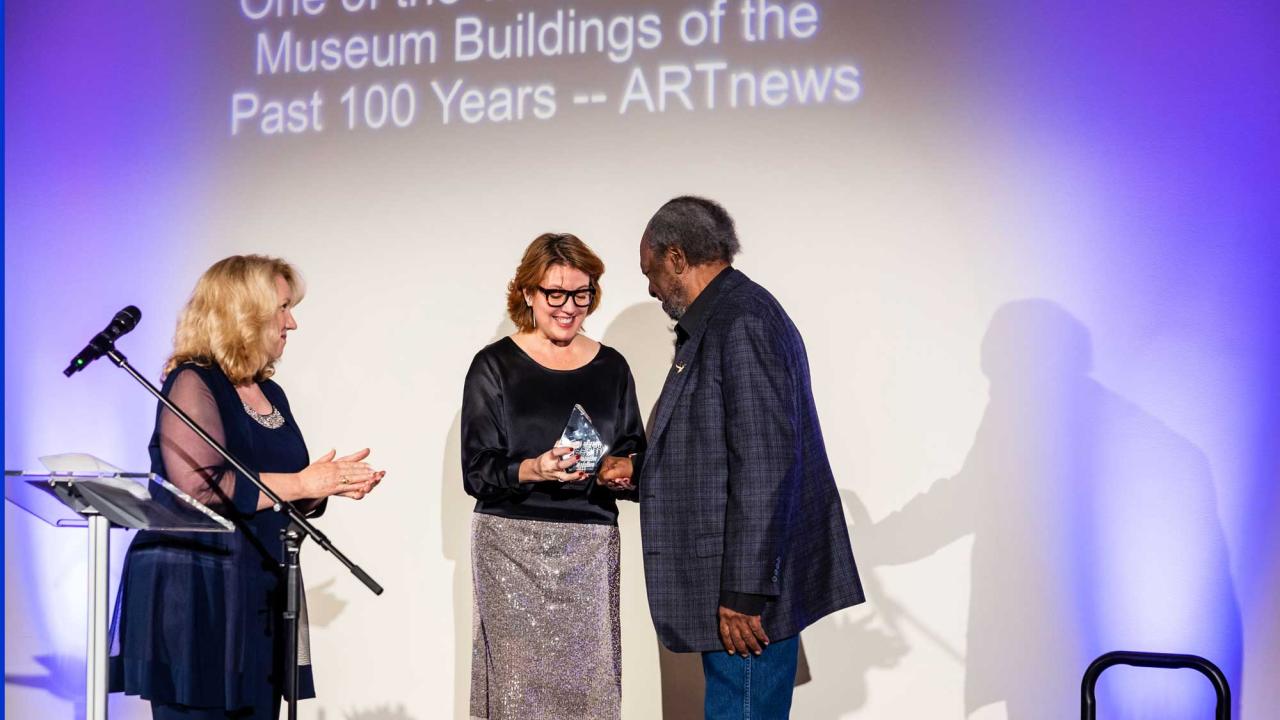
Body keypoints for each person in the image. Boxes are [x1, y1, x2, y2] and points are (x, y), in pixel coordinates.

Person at [599, 196, 864, 718]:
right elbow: (718, 450)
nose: (650, 287)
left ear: (677, 258)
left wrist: (744, 592)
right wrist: (642, 470)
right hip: (736, 585)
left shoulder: (741, 323)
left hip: (743, 599)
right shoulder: (727, 316)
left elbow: (765, 465)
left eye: (650, 271)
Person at [108, 255, 385, 719]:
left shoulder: (271, 393)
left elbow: (274, 490)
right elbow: (201, 486)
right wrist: (301, 481)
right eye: (282, 308)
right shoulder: (192, 382)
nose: (291, 322)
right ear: (244, 312)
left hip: (259, 588)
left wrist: (322, 487)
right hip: (198, 592)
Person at [461, 233, 646, 720]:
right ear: (527, 293)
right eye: (555, 294)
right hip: (509, 548)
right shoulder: (494, 366)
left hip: (589, 545)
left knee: (590, 692)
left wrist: (620, 471)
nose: (568, 307)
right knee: (517, 695)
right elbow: (476, 471)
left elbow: (639, 458)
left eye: (581, 294)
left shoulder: (612, 367)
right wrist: (532, 468)